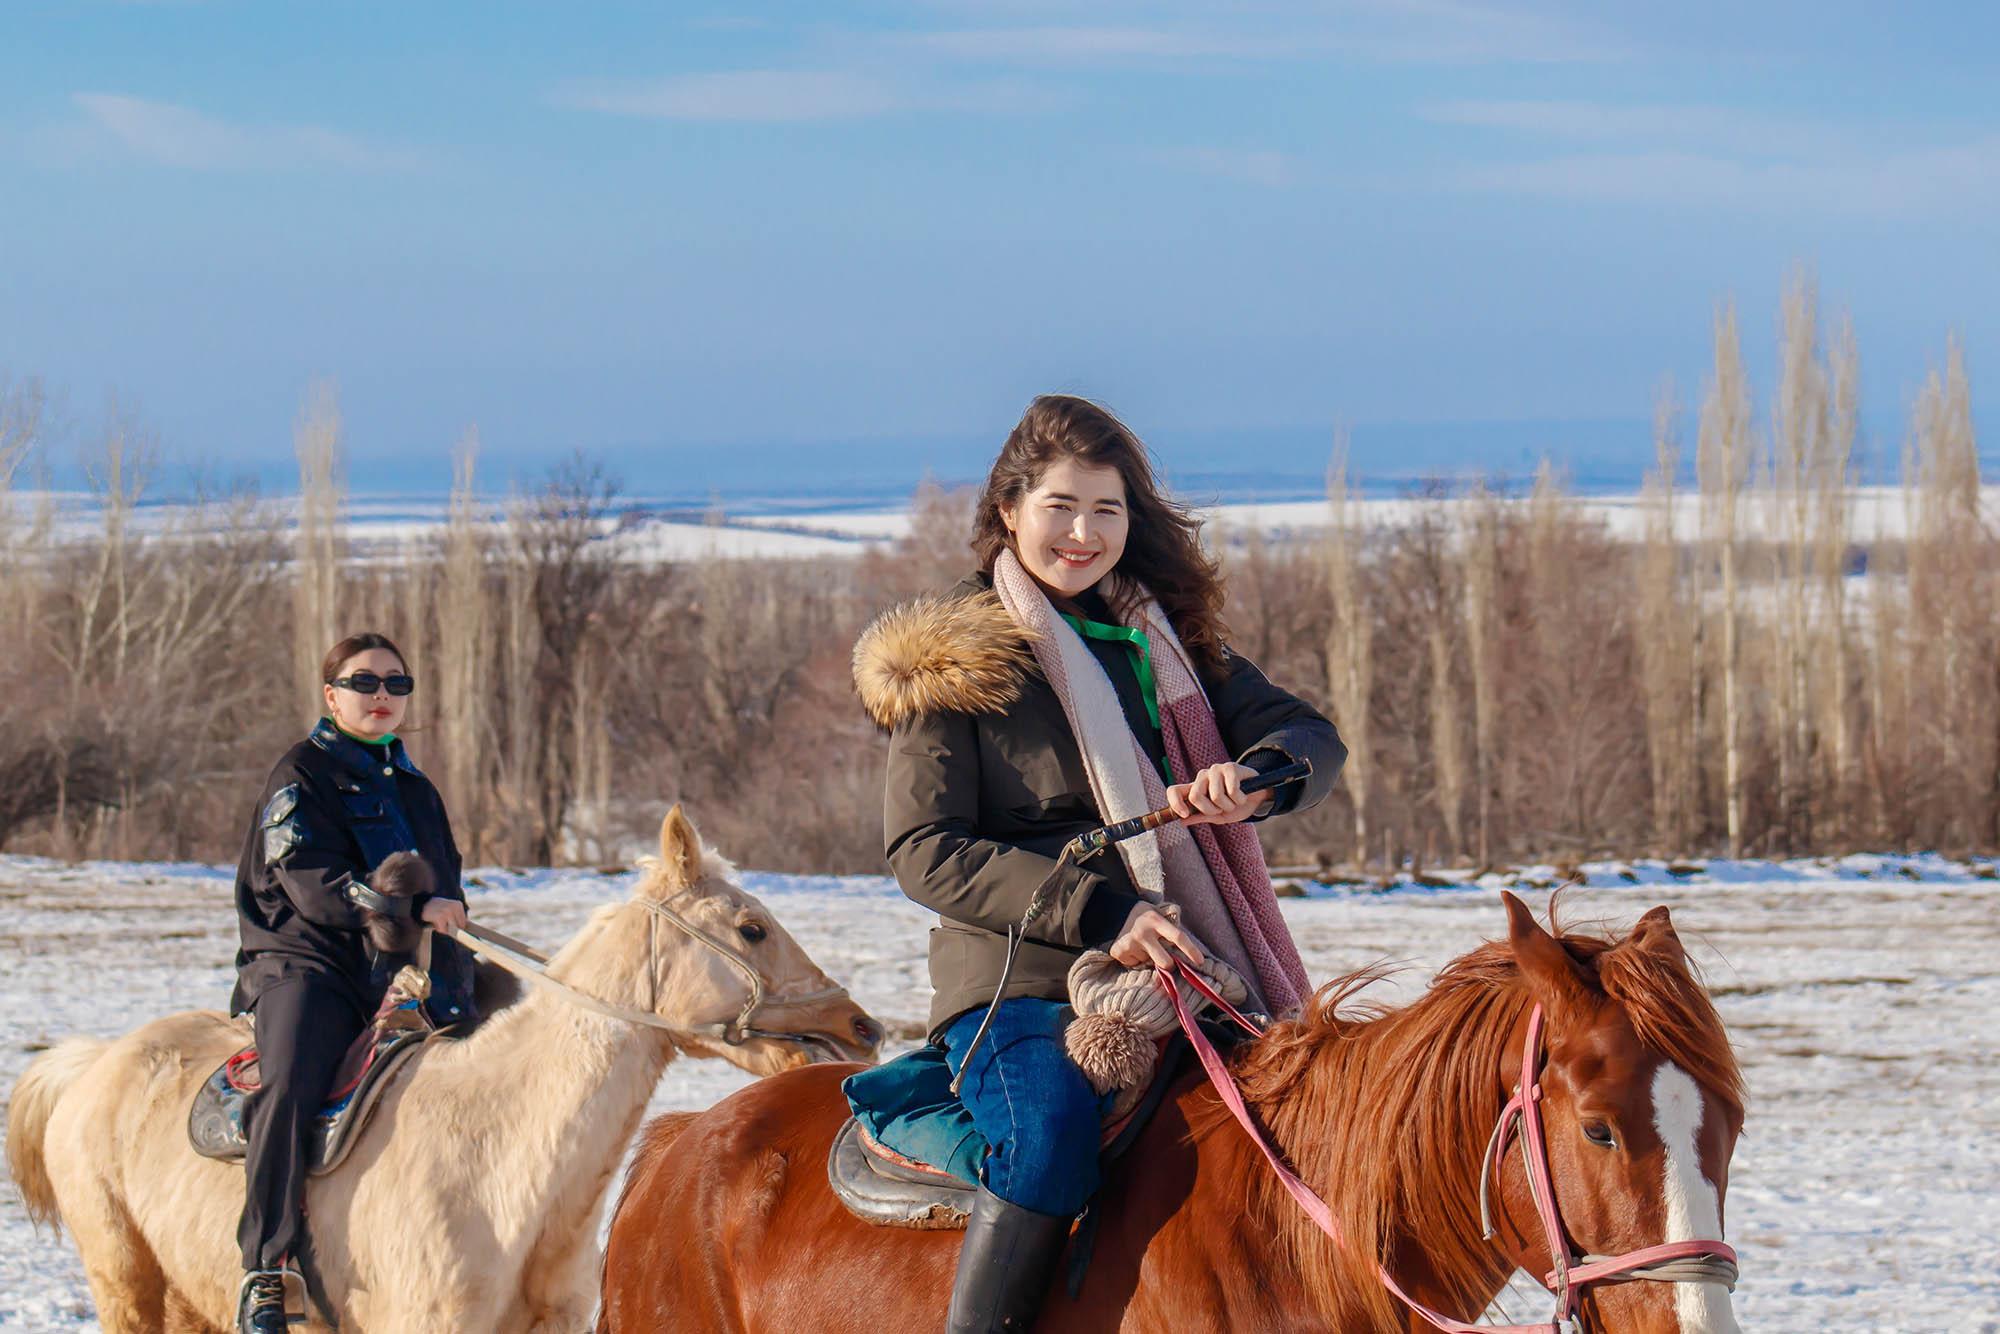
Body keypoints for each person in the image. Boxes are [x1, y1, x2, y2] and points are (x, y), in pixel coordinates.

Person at [851, 395, 1346, 1332]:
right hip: (1020, 982)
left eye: (1106, 511)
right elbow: (924, 850)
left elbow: (1308, 735)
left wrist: (1261, 775)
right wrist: (1104, 914)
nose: (1082, 534)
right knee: (1046, 1142)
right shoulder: (951, 658)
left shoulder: (1166, 641)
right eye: (1060, 507)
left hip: (1193, 971)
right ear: (1009, 510)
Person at [229, 632, 475, 1333]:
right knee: (290, 1081)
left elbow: (448, 895)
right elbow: (313, 886)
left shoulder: (416, 791)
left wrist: (459, 993)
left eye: (397, 685)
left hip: (392, 975)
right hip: (304, 963)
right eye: (365, 683)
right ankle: (266, 1268)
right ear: (331, 694)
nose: (382, 697)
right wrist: (405, 909)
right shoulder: (299, 774)